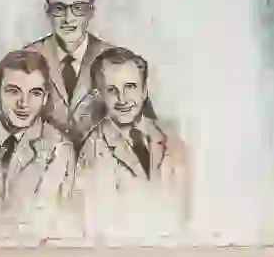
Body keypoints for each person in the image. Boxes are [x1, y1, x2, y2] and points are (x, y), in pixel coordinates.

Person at [0, 49, 79, 242]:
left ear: (45, 98)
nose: (24, 103)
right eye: (13, 92)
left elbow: (62, 226)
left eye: (35, 93)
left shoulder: (59, 147)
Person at [75, 47, 190, 246]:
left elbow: (186, 211)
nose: (123, 99)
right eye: (112, 90)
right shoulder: (92, 150)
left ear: (144, 91)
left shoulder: (172, 141)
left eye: (131, 87)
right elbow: (96, 226)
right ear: (100, 95)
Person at [23, 0, 115, 147]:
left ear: (91, 11)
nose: (68, 18)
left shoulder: (113, 59)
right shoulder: (28, 58)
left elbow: (138, 124)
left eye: (78, 8)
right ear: (47, 10)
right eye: (59, 8)